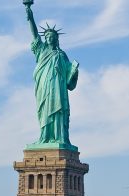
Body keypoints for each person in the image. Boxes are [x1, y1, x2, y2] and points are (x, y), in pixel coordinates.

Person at [26, 5, 79, 146]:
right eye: (47, 36)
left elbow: (69, 77)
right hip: (44, 87)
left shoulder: (62, 55)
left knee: (59, 110)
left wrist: (74, 71)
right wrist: (29, 14)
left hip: (58, 88)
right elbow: (35, 33)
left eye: (52, 36)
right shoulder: (41, 50)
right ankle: (45, 137)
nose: (49, 38)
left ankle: (60, 137)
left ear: (56, 39)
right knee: (44, 111)